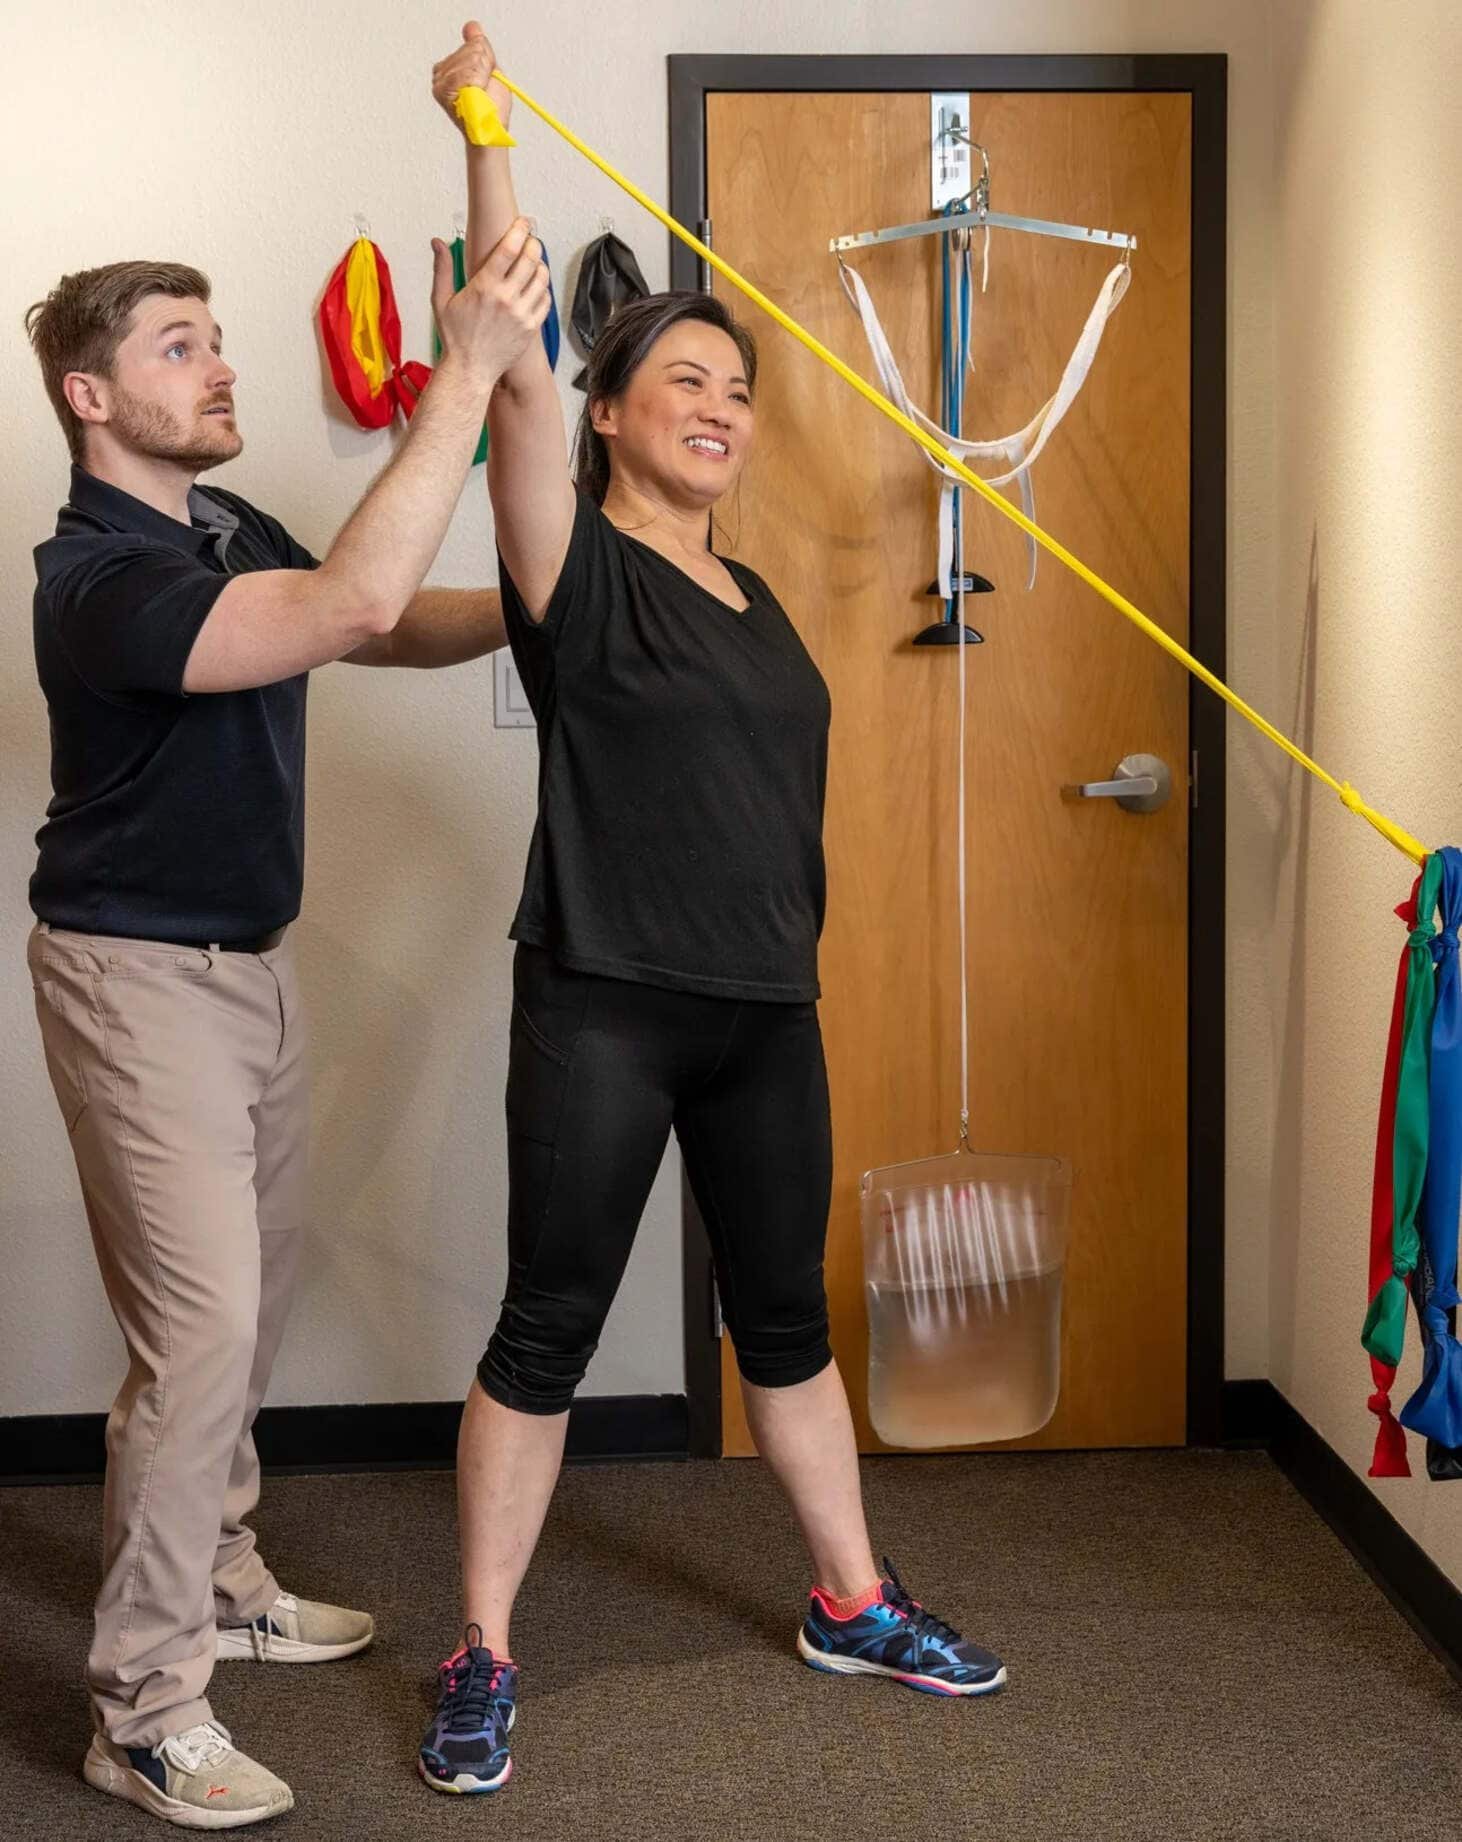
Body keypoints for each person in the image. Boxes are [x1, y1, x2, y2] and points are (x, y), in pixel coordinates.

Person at [417, 23, 1007, 1800]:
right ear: (608, 412)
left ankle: (849, 1597)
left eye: (736, 389)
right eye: (683, 378)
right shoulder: (570, 571)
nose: (720, 405)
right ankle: (484, 1649)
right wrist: (487, 136)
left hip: (765, 1008)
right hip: (603, 995)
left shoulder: (750, 590)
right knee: (548, 1324)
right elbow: (508, 372)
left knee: (786, 1324)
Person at [23, 221, 549, 1828]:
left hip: (247, 967)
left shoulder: (221, 521)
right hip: (132, 977)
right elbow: (343, 603)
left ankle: (226, 1574)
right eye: (178, 345)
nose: (221, 361)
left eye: (215, 334)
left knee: (248, 1309)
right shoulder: (98, 582)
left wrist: (545, 613)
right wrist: (462, 369)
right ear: (90, 396)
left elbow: (376, 612)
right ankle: (142, 1703)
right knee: (198, 1342)